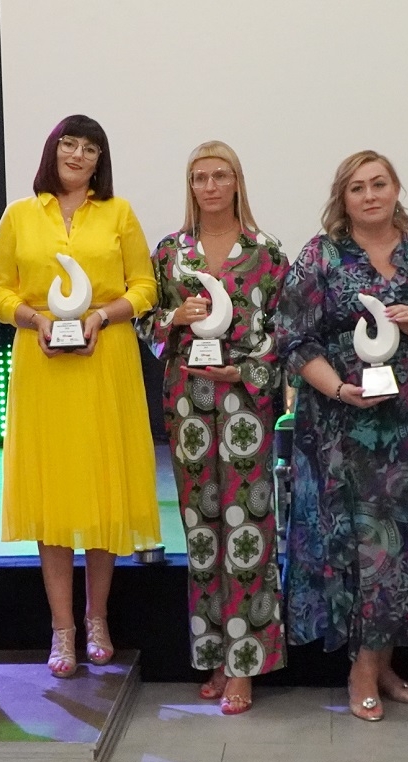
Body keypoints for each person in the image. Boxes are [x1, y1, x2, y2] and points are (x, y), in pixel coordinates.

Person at [275, 150, 408, 722]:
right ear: (342, 199)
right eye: (357, 187)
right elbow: (293, 340)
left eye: (379, 184)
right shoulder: (320, 256)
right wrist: (341, 390)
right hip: (342, 429)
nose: (370, 195)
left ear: (396, 189)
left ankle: (381, 663)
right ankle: (363, 670)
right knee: (365, 549)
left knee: (407, 545)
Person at [0, 115, 159, 678]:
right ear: (52, 149)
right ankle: (62, 629)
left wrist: (102, 316)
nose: (78, 155)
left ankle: (97, 618)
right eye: (69, 143)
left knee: (103, 491)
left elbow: (146, 287)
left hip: (104, 360)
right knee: (52, 496)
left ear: (100, 159)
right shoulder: (19, 214)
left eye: (90, 148)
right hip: (43, 367)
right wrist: (33, 319)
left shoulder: (118, 212)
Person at [148, 141, 289, 715]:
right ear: (191, 186)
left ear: (236, 182)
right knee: (202, 531)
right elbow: (147, 327)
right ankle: (213, 654)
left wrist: (247, 371)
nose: (209, 186)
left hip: (243, 404)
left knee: (246, 528)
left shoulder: (266, 253)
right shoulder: (170, 253)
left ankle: (245, 665)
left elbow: (283, 332)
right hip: (188, 404)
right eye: (199, 177)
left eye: (219, 176)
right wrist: (171, 318)